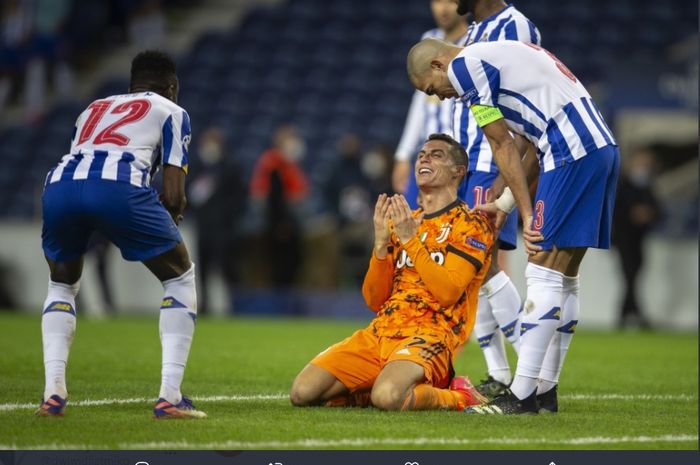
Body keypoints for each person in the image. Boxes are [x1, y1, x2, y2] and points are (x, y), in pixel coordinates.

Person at [407, 38, 619, 414]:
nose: (439, 97)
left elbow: (501, 143)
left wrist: (525, 213)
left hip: (569, 151)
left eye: (431, 89)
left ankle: (521, 395)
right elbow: (528, 138)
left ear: (439, 66)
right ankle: (545, 391)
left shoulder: (464, 67)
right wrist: (506, 203)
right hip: (599, 147)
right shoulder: (498, 55)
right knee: (565, 273)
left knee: (542, 271)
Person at [37, 50, 205, 419]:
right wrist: (170, 217)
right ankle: (170, 397)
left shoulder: (93, 107)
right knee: (181, 277)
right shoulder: (173, 111)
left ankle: (52, 393)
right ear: (172, 87)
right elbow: (174, 194)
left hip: (60, 185)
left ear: (132, 86)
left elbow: (85, 159)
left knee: (62, 285)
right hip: (119, 186)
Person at [290, 134, 494, 412]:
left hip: (430, 335)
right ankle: (377, 387)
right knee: (302, 393)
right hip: (381, 332)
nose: (424, 158)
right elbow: (374, 300)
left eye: (436, 155)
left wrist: (411, 242)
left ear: (458, 172)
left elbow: (448, 293)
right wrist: (380, 245)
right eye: (422, 154)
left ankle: (459, 396)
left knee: (387, 396)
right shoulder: (406, 220)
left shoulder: (470, 224)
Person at [450, 0, 542, 398]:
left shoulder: (514, 25)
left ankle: (528, 371)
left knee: (482, 264)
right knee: (473, 269)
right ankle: (501, 372)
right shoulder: (472, 32)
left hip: (491, 158)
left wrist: (511, 170)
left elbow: (521, 100)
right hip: (466, 160)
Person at [392, 0, 468, 207]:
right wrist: (403, 154)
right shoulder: (428, 40)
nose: (443, 8)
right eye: (437, 1)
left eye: (450, 1)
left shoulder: (475, 41)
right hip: (429, 151)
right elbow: (420, 102)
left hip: (462, 154)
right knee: (413, 228)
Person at [189, 127, 246, 315]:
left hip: (224, 229)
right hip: (204, 227)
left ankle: (235, 306)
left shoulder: (230, 168)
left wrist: (229, 218)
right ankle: (204, 305)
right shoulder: (198, 169)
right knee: (202, 269)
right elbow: (190, 196)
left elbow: (239, 198)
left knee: (228, 269)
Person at [612, 148, 660, 330]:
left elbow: (658, 210)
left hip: (640, 240)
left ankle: (627, 314)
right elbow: (615, 211)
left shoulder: (647, 187)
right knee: (630, 276)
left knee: (632, 278)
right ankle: (635, 316)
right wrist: (632, 214)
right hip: (624, 239)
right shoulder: (622, 185)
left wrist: (649, 214)